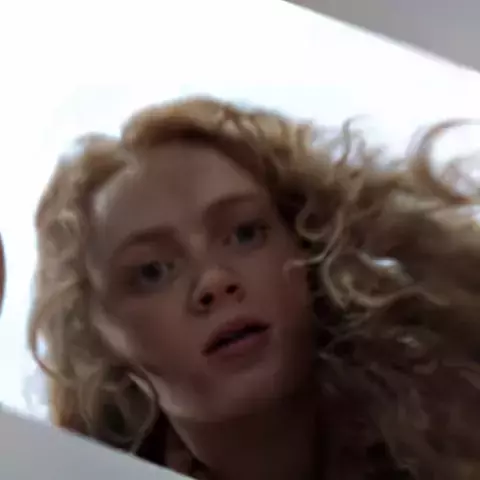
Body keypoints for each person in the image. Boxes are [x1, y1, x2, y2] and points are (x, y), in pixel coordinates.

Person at [27, 97, 480, 479]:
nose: (214, 282)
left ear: (309, 245)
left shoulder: (455, 418)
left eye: (245, 234)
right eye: (152, 271)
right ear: (98, 337)